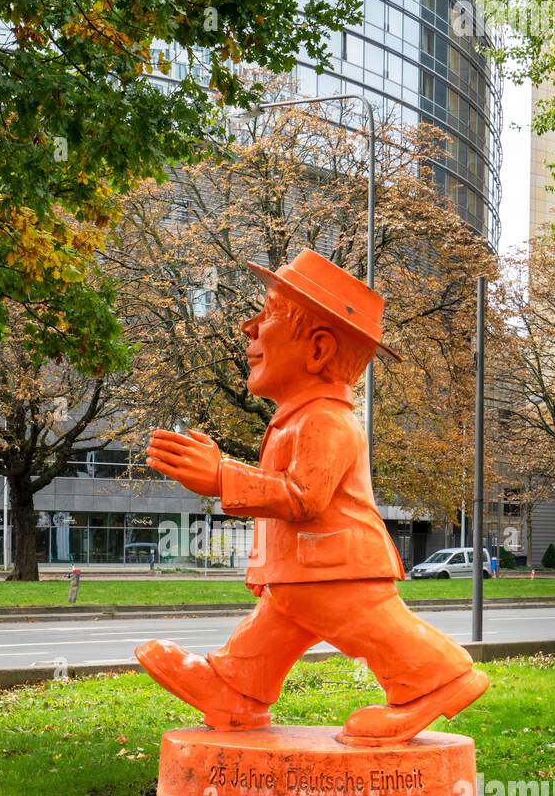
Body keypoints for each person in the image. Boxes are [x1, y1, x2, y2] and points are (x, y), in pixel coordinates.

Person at [136, 248, 488, 746]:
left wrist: (222, 477)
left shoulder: (325, 420)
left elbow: (304, 498)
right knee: (277, 623)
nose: (248, 327)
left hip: (336, 566)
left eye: (270, 314)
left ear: (319, 350)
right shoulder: (298, 417)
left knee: (375, 630)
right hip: (305, 571)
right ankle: (236, 691)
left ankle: (437, 678)